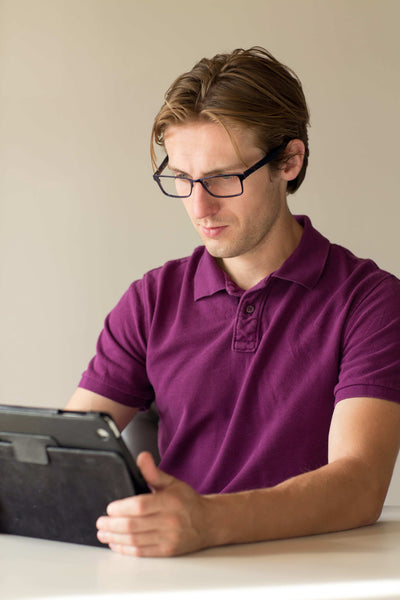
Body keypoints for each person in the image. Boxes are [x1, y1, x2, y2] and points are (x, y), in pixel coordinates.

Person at [66, 46, 400, 557]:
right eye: (181, 178)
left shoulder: (370, 302)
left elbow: (359, 486)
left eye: (225, 177)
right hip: (171, 575)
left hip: (314, 576)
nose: (199, 207)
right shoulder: (151, 300)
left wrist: (207, 522)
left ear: (289, 161)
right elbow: (67, 454)